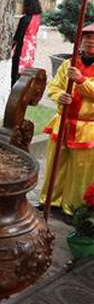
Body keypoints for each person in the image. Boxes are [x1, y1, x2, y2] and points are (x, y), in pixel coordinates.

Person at [39, 23, 94, 217]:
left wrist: (81, 81)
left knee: (81, 170)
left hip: (87, 128)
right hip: (63, 122)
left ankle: (73, 207)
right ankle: (50, 200)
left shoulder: (78, 72)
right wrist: (60, 95)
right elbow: (54, 87)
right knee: (56, 162)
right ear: (80, 40)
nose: (91, 42)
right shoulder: (69, 64)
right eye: (87, 38)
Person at [12, 0, 43, 86]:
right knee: (27, 65)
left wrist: (12, 44)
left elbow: (18, 35)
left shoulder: (25, 19)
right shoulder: (37, 18)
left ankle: (15, 85)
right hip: (32, 44)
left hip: (23, 44)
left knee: (17, 65)